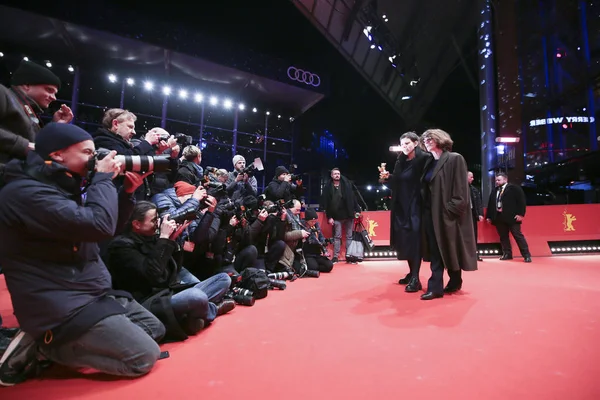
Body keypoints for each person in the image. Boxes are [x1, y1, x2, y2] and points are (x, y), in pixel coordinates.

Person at [0, 123, 164, 385]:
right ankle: (44, 347)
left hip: (88, 292)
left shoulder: (62, 186)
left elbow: (102, 232)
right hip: (58, 304)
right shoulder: (25, 193)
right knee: (143, 356)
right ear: (57, 155)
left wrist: (127, 193)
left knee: (155, 328)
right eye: (88, 152)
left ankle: (66, 342)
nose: (95, 158)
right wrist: (101, 179)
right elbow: (99, 224)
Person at [419, 129, 478, 300]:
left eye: (430, 138)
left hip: (447, 215)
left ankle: (442, 284)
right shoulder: (429, 162)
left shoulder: (455, 158)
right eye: (425, 139)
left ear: (440, 139)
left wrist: (450, 210)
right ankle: (443, 284)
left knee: (448, 248)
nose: (427, 140)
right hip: (430, 214)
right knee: (437, 250)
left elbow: (461, 190)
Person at [379, 132, 431, 292]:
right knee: (405, 240)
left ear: (416, 143)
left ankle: (416, 277)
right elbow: (398, 181)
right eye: (402, 144)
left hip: (417, 206)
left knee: (415, 240)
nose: (405, 146)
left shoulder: (424, 159)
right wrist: (388, 177)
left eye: (408, 143)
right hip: (401, 206)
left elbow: (428, 182)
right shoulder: (400, 160)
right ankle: (411, 273)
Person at [0, 60, 72, 173]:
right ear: (27, 85)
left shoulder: (30, 112)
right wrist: (24, 145)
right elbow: (31, 146)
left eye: (55, 93)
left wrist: (55, 126)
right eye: (49, 90)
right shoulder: (3, 93)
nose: (54, 97)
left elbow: (37, 145)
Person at [485, 172, 532, 262]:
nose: (497, 182)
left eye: (499, 180)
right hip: (499, 217)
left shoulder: (514, 188)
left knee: (518, 235)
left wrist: (521, 214)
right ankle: (507, 254)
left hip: (512, 217)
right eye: (496, 180)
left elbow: (521, 201)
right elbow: (491, 204)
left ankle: (526, 255)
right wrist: (489, 216)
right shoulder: (495, 190)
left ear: (505, 179)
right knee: (503, 237)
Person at [320, 168, 363, 263]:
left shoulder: (346, 185)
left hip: (348, 214)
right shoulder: (327, 187)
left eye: (338, 173)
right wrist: (329, 217)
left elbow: (353, 198)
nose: (337, 175)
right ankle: (335, 257)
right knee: (337, 236)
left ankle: (349, 256)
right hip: (335, 216)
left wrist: (357, 210)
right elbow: (326, 204)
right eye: (335, 174)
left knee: (349, 236)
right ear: (331, 175)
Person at [468, 171, 484, 262]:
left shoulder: (474, 189)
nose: (473, 179)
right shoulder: (458, 188)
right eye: (471, 177)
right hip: (461, 215)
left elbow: (478, 202)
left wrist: (480, 214)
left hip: (472, 214)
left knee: (473, 235)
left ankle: (475, 255)